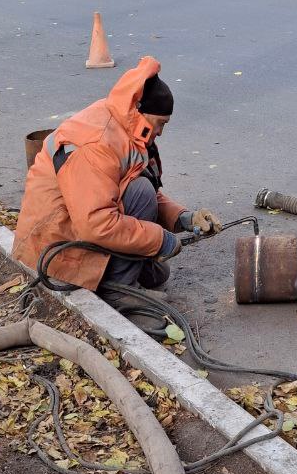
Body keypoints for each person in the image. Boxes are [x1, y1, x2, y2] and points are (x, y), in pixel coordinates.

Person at [14, 55, 222, 298]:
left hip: (79, 224)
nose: (161, 132)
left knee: (157, 274)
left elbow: (127, 187)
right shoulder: (97, 143)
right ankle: (122, 294)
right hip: (57, 247)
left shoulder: (125, 123)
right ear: (140, 111)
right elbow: (97, 223)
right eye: (160, 123)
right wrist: (158, 239)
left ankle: (120, 275)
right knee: (142, 193)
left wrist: (184, 218)